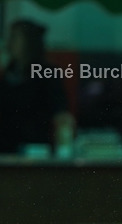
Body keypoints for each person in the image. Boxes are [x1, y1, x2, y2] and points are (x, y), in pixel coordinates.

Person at [0, 19, 74, 155]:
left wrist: (64, 149)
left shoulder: (46, 72)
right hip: (6, 148)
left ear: (29, 41)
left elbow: (61, 113)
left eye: (15, 37)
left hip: (35, 149)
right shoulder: (9, 73)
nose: (9, 42)